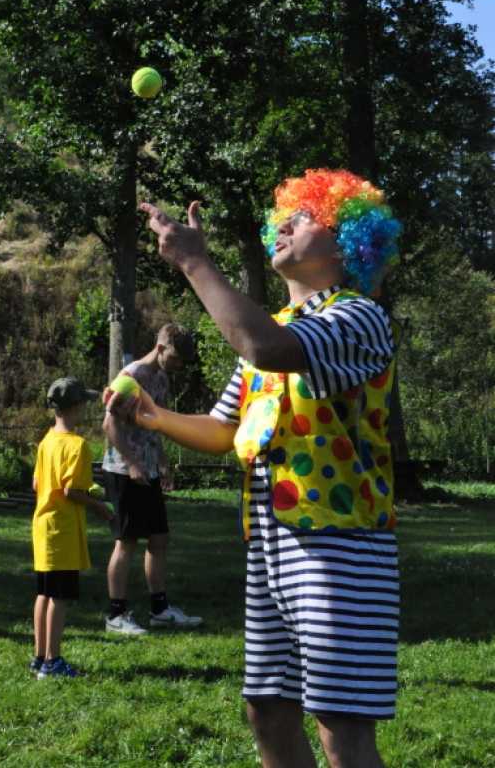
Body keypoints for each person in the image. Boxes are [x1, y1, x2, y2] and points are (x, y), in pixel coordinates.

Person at [114, 169, 402, 768]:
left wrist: (195, 263)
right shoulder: (274, 332)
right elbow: (225, 429)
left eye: (307, 216)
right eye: (284, 216)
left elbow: (266, 348)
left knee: (340, 725)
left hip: (340, 546)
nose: (285, 224)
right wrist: (153, 416)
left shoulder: (358, 318)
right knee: (268, 712)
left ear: (349, 242)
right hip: (272, 545)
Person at [102, 323, 204, 635]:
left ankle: (160, 609)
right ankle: (115, 615)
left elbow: (154, 424)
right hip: (124, 470)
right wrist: (132, 464)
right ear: (160, 348)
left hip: (149, 469)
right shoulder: (130, 378)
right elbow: (109, 425)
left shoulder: (161, 378)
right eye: (174, 358)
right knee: (127, 542)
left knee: (159, 539)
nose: (177, 366)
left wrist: (162, 463)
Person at [31, 376, 114, 679]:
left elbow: (37, 483)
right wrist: (100, 507)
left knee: (44, 593)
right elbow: (70, 491)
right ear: (76, 407)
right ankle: (53, 662)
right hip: (62, 531)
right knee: (60, 598)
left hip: (43, 527)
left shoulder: (46, 440)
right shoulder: (78, 446)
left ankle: (40, 657)